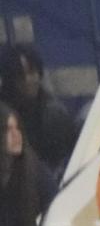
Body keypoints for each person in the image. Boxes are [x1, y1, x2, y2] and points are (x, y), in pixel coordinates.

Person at [0, 44, 78, 174]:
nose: (28, 80)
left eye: (32, 72)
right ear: (9, 80)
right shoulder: (4, 117)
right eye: (20, 75)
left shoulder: (54, 115)